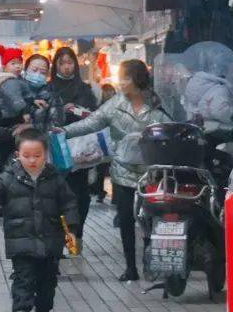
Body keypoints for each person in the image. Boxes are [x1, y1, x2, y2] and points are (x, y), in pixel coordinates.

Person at [63, 59, 159, 282]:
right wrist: (64, 131)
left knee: (151, 218)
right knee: (125, 219)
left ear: (137, 79)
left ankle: (149, 260)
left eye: (125, 78)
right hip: (123, 170)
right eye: (121, 78)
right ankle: (130, 267)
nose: (121, 83)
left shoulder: (157, 102)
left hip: (151, 171)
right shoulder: (115, 104)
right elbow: (91, 123)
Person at [0, 127, 80, 312]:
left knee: (47, 280)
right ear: (18, 155)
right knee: (22, 277)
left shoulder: (54, 177)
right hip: (21, 239)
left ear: (46, 154)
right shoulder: (9, 176)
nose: (32, 160)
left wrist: (71, 229)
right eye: (27, 156)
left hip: (50, 239)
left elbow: (69, 203)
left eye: (37, 155)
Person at [48, 46, 99, 236]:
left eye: (70, 63)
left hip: (80, 147)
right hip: (56, 146)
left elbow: (94, 114)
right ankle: (63, 233)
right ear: (56, 65)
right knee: (58, 192)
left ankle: (77, 233)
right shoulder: (49, 88)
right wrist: (60, 110)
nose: (66, 67)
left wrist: (77, 109)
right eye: (62, 63)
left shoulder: (84, 88)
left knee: (81, 194)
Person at [90, 83, 116, 200]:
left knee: (114, 167)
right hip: (102, 138)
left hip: (115, 139)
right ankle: (100, 192)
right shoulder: (99, 106)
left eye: (110, 91)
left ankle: (115, 195)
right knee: (101, 166)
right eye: (106, 91)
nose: (108, 93)